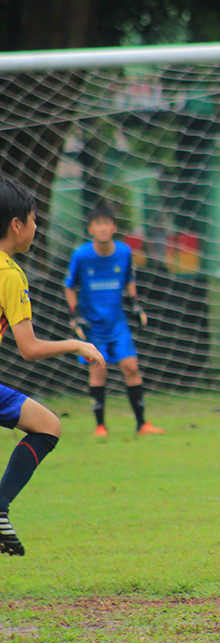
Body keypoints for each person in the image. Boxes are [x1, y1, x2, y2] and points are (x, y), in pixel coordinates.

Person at [0, 177, 105, 556]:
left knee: (47, 424)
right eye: (34, 219)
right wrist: (77, 343)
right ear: (16, 225)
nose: (36, 227)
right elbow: (28, 348)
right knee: (48, 428)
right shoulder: (10, 274)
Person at [64, 205, 165, 437]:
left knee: (131, 367)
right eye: (98, 223)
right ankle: (101, 426)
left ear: (114, 227)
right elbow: (70, 286)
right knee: (98, 371)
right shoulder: (81, 255)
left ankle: (142, 424)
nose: (103, 228)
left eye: (107, 223)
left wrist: (135, 304)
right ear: (90, 228)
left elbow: (129, 279)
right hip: (93, 325)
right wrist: (74, 314)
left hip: (118, 322)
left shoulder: (124, 252)